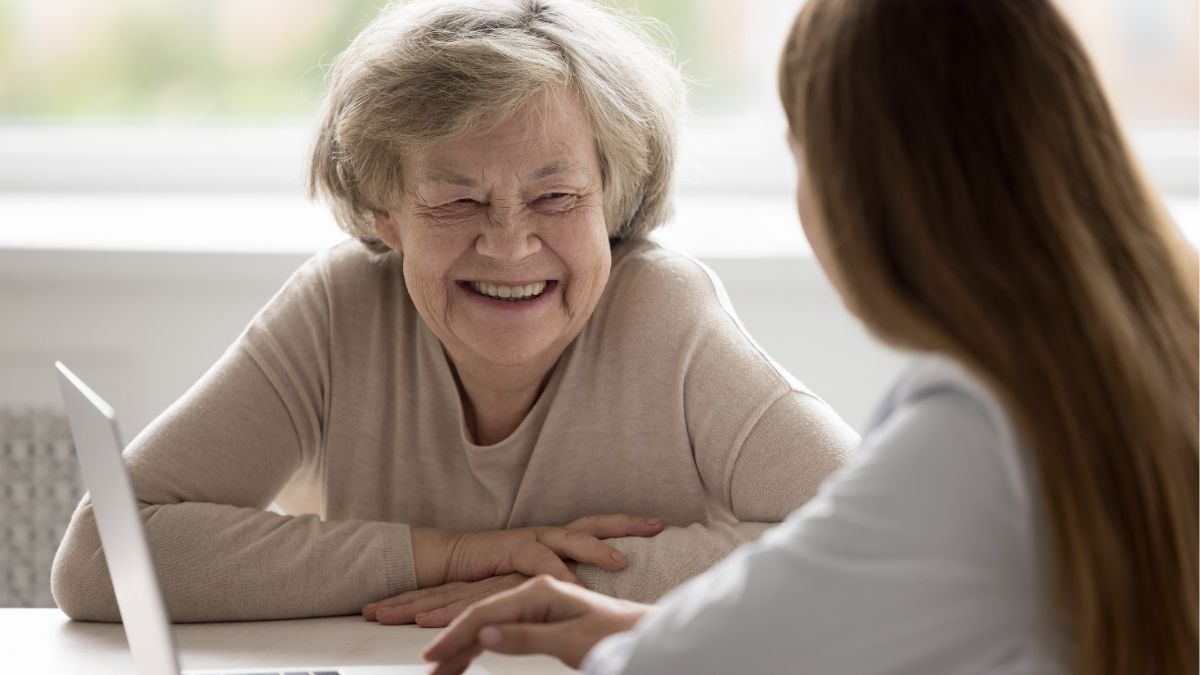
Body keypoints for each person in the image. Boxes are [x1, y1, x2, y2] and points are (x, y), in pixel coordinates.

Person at [422, 0, 1200, 673]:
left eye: (802, 153)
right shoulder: (1144, 351)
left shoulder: (976, 434)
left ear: (866, 189)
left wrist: (645, 637)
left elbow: (689, 666)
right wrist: (651, 625)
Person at [50, 0, 858, 624]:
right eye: (456, 199)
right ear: (385, 213)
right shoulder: (339, 311)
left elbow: (877, 531)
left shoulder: (664, 313)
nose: (510, 245)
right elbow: (97, 559)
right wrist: (446, 557)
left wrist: (553, 582)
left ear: (610, 199)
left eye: (556, 196)